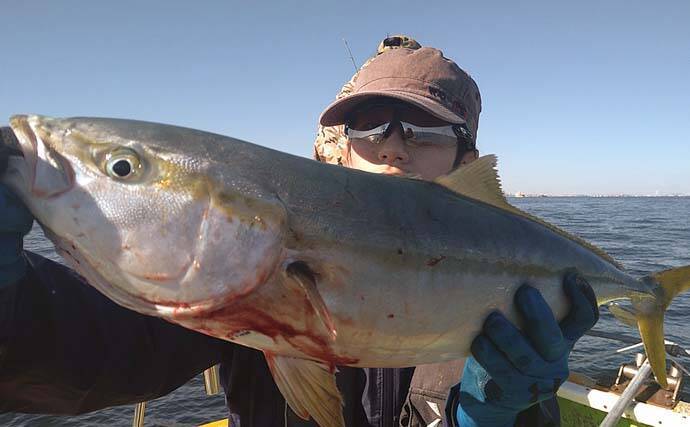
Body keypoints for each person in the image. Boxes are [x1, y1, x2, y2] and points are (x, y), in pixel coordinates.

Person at [0, 36, 598, 426]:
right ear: (337, 153)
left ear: (467, 164)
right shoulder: (223, 287)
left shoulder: (514, 308)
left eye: (423, 131)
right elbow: (83, 355)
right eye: (370, 128)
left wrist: (497, 419)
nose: (393, 146)